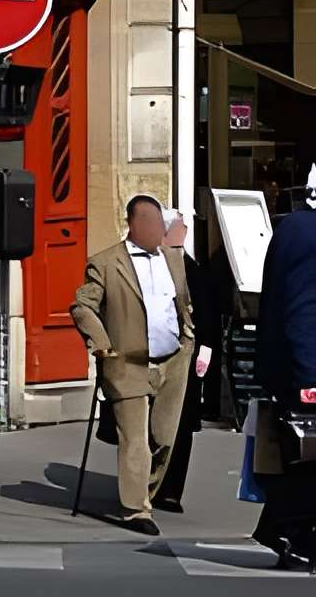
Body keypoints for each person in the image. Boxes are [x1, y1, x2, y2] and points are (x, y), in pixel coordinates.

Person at [71, 192, 195, 533]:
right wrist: (102, 345)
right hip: (127, 362)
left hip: (172, 359)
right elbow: (82, 306)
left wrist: (189, 335)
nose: (158, 230)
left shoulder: (174, 259)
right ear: (133, 224)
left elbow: (181, 300)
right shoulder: (107, 263)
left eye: (161, 223)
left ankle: (144, 490)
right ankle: (136, 510)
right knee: (135, 439)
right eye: (151, 223)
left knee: (164, 438)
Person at [254, 185, 316, 559]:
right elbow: (304, 310)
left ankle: (281, 530)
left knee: (303, 460)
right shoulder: (306, 233)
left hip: (296, 366)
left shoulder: (298, 228)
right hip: (304, 369)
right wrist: (309, 378)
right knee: (305, 458)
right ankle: (294, 532)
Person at [154, 209, 220, 511]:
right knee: (156, 424)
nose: (186, 230)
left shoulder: (190, 267)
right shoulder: (156, 264)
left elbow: (207, 316)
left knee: (179, 425)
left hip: (187, 359)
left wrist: (205, 351)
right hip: (159, 356)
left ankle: (169, 489)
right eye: (181, 226)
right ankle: (155, 484)